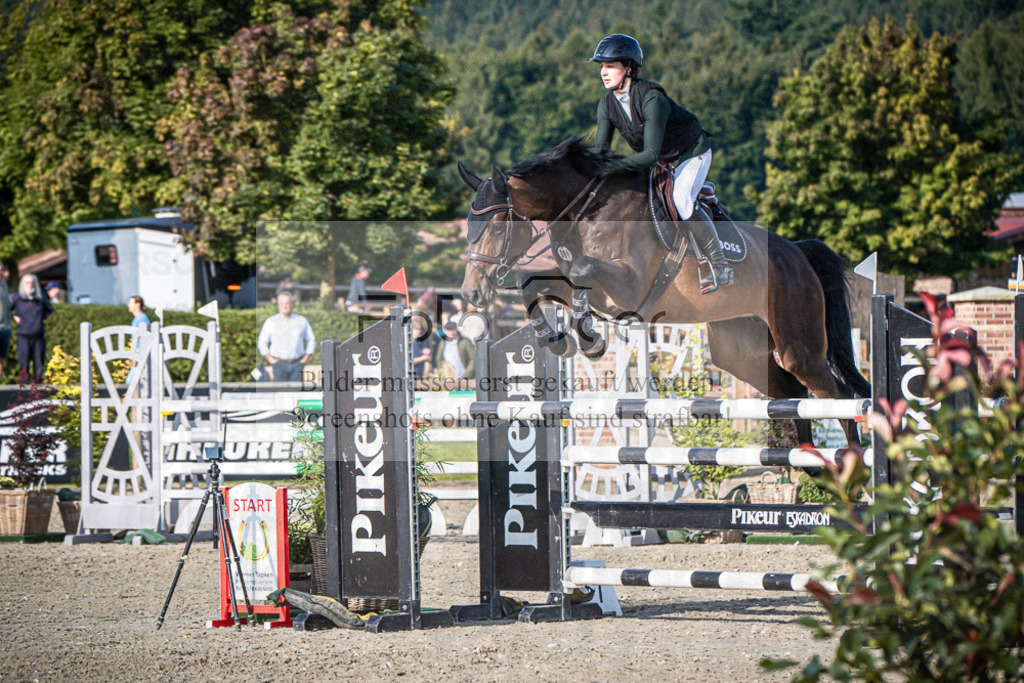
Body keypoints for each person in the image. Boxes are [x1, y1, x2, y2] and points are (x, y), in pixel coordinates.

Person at [589, 33, 733, 294]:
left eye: (610, 65)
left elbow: (651, 154)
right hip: (665, 162)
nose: (603, 72)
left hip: (691, 152)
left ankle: (720, 265)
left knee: (680, 198)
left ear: (629, 68)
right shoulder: (606, 104)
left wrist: (611, 168)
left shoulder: (651, 98)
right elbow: (601, 153)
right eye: (601, 66)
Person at [256, 291, 316, 382]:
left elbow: (311, 339)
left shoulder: (301, 320)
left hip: (298, 365)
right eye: (281, 303)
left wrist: (305, 358)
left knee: (297, 394)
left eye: (287, 303)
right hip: (279, 364)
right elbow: (262, 342)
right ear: (278, 305)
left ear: (292, 304)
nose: (284, 306)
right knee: (280, 394)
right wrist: (271, 359)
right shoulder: (271, 321)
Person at [10, 274, 53, 383]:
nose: (30, 285)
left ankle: (38, 388)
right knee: (23, 363)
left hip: (38, 335)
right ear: (23, 284)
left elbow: (49, 309)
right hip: (23, 335)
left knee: (39, 363)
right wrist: (14, 317)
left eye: (32, 282)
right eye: (27, 283)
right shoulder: (16, 298)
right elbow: (5, 309)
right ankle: (24, 386)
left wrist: (39, 318)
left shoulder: (41, 297)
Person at [0, 263, 10, 378]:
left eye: (1, 270)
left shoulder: (4, 286)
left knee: (1, 357)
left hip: (5, 327)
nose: (0, 272)